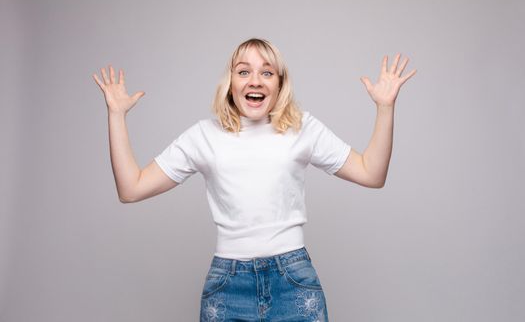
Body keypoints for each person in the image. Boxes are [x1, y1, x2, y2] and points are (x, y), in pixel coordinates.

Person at [93, 38, 416, 321]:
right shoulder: (204, 136)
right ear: (230, 82)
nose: (255, 80)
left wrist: (385, 108)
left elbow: (372, 174)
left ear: (279, 83)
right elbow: (131, 189)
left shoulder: (302, 128)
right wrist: (116, 116)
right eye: (243, 71)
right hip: (228, 285)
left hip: (294, 281)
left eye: (267, 72)